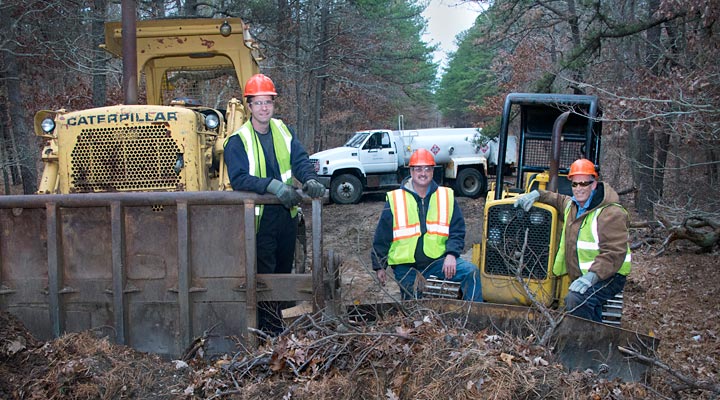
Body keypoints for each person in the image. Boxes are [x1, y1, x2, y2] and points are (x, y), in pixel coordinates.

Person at [223, 73, 326, 334]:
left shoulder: (283, 131)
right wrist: (272, 186)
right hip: (257, 222)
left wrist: (310, 180)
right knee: (265, 279)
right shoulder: (238, 141)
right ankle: (267, 334)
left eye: (268, 102)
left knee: (283, 274)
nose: (263, 108)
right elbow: (239, 178)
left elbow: (300, 161)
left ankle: (280, 331)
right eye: (257, 103)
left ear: (273, 104)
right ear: (248, 106)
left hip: (286, 216)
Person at [513, 158, 631, 322]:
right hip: (583, 275)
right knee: (588, 307)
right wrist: (538, 194)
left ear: (594, 184)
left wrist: (592, 276)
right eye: (575, 184)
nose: (579, 188)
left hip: (608, 275)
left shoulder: (610, 213)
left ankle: (581, 342)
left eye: (584, 183)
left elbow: (614, 252)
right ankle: (595, 341)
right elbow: (558, 199)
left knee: (576, 300)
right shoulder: (573, 206)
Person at [371, 149, 483, 301]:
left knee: (471, 273)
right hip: (406, 267)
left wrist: (451, 255)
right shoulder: (396, 199)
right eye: (418, 169)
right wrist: (379, 266)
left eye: (427, 169)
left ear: (432, 171)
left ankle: (474, 318)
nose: (423, 173)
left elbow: (457, 230)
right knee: (413, 306)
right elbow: (382, 236)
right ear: (411, 171)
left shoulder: (446, 196)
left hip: (438, 262)